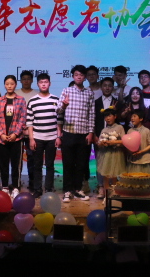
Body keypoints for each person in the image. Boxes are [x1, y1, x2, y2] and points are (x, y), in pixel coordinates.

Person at [57, 64, 95, 202]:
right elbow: (58, 112)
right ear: (73, 76)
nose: (79, 77)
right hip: (68, 132)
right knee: (68, 163)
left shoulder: (89, 93)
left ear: (85, 77)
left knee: (81, 164)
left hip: (83, 134)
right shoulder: (66, 91)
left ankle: (78, 189)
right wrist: (64, 105)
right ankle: (67, 191)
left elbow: (91, 114)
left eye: (81, 75)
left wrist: (90, 132)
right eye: (76, 75)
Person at [0, 75, 27, 198]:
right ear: (4, 85)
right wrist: (1, 134)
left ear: (15, 85)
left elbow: (23, 118)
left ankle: (16, 187)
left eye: (12, 84)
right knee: (3, 164)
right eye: (7, 84)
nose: (9, 86)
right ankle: (5, 187)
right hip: (1, 139)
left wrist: (15, 134)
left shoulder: (21, 100)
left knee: (16, 165)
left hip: (16, 139)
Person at [27, 73, 59, 198]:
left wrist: (58, 136)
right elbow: (29, 122)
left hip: (52, 138)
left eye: (46, 82)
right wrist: (31, 138)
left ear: (49, 83)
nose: (44, 84)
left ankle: (49, 188)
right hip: (37, 138)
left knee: (50, 165)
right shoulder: (33, 101)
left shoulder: (56, 100)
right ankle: (37, 189)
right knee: (37, 165)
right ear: (37, 84)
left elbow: (59, 121)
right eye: (41, 82)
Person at [93, 77, 116, 197]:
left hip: (114, 138)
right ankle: (101, 186)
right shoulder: (96, 102)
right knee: (100, 162)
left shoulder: (117, 102)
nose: (107, 88)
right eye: (105, 85)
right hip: (99, 137)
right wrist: (94, 135)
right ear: (101, 87)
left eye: (109, 85)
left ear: (113, 88)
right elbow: (92, 120)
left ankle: (112, 187)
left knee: (113, 161)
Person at [96, 108, 126, 195]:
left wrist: (114, 142)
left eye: (109, 116)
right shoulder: (104, 130)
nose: (107, 118)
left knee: (114, 175)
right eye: (106, 116)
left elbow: (124, 141)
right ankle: (106, 195)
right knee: (105, 175)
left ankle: (114, 194)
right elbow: (99, 143)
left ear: (115, 116)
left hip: (115, 154)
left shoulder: (119, 127)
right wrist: (101, 143)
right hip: (105, 155)